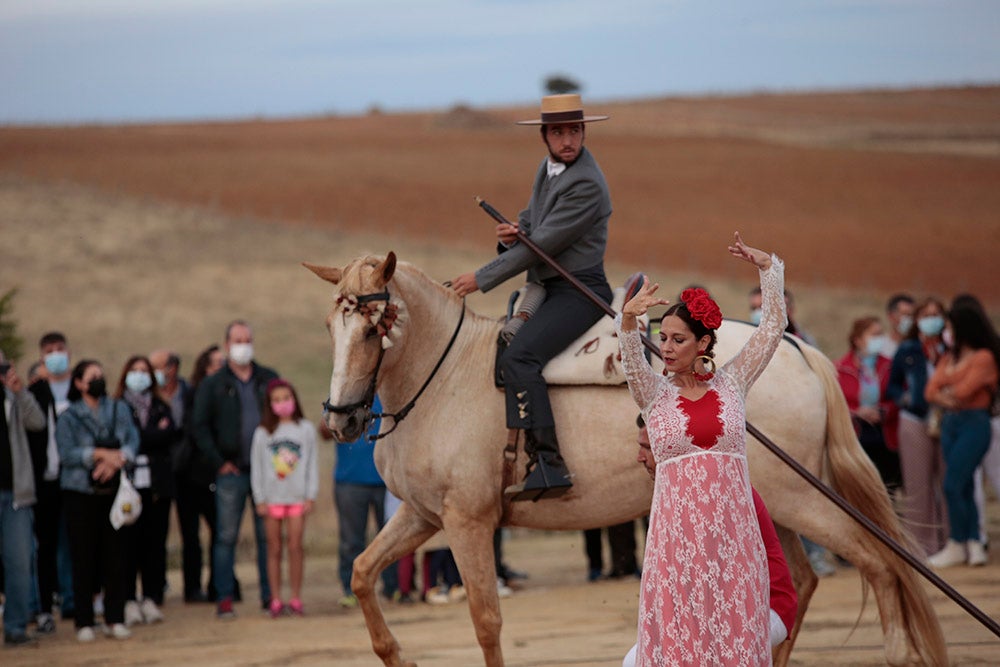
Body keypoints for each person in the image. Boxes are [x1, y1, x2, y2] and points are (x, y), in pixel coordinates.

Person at [616, 232, 785, 664]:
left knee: (734, 635)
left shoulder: (734, 382)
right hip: (675, 543)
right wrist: (629, 320)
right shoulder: (653, 393)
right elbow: (633, 359)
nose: (666, 348)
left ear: (703, 344)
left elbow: (772, 329)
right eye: (663, 337)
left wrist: (768, 269)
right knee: (680, 639)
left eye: (677, 339)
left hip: (734, 540)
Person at [450, 93, 613, 501]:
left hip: (579, 290)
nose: (567, 140)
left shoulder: (587, 184)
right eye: (558, 132)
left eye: (574, 130)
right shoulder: (549, 168)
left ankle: (549, 464)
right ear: (545, 136)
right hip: (548, 286)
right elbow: (530, 221)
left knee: (520, 355)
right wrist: (510, 232)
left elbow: (541, 246)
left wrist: (481, 278)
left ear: (583, 131)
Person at [628, 416, 798, 662]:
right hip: (713, 606)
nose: (639, 458)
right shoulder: (680, 489)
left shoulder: (716, 491)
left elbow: (720, 577)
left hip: (766, 607)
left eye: (646, 448)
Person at [193, 321, 278, 619]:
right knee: (226, 536)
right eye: (237, 340)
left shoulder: (268, 378)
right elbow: (199, 426)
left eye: (247, 339)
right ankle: (225, 598)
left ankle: (271, 597)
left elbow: (282, 417)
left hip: (265, 473)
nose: (243, 344)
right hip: (232, 473)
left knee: (266, 536)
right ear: (227, 344)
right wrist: (218, 461)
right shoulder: (213, 384)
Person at [56, 359, 139, 642]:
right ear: (78, 383)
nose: (98, 380)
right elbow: (67, 454)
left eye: (101, 375)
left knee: (115, 556)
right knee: (83, 557)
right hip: (80, 494)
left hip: (113, 493)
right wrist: (98, 455)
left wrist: (116, 460)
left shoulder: (119, 408)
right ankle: (84, 620)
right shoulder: (69, 416)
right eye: (92, 376)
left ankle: (114, 617)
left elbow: (132, 440)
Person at [924, 300, 1000, 568]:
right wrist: (947, 393)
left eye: (950, 326)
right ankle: (971, 543)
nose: (947, 331)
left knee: (953, 483)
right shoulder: (950, 357)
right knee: (964, 485)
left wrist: (946, 390)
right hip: (951, 424)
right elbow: (930, 390)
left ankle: (960, 540)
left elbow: (963, 392)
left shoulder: (984, 358)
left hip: (973, 423)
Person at [115, 355, 179, 625]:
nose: (140, 375)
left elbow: (169, 435)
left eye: (145, 371)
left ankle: (151, 597)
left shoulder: (161, 406)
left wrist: (143, 436)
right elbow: (126, 438)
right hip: (128, 486)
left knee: (154, 544)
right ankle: (128, 599)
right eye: (135, 370)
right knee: (128, 544)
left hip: (156, 486)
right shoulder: (117, 407)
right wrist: (150, 434)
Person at [886, 297, 949, 557]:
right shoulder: (908, 349)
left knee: (949, 481)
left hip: (947, 418)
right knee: (917, 483)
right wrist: (905, 399)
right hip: (914, 419)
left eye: (936, 314)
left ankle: (952, 542)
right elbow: (892, 385)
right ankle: (922, 545)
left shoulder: (950, 349)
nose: (931, 319)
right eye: (926, 314)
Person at [251, 379, 317, 618]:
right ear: (269, 404)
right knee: (274, 548)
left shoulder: (305, 429)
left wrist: (311, 494)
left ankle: (296, 597)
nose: (282, 404)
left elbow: (311, 464)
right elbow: (257, 468)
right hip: (272, 498)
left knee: (295, 546)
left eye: (286, 398)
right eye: (276, 400)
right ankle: (276, 598)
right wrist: (259, 498)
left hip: (297, 497)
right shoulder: (262, 433)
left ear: (294, 399)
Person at [26, 331, 75, 629]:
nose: (55, 355)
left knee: (70, 543)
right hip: (43, 479)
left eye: (60, 349)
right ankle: (43, 603)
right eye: (49, 350)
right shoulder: (36, 392)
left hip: (72, 477)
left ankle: (71, 599)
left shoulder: (77, 389)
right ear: (41, 356)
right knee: (44, 545)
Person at [332, 394, 398, 607]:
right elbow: (326, 430)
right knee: (351, 540)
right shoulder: (344, 394)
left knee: (391, 537)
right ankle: (350, 589)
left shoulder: (390, 392)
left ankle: (392, 587)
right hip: (350, 479)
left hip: (387, 479)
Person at [0, 351, 46, 646]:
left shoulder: (13, 397)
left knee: (20, 560)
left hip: (15, 492)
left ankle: (16, 626)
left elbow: (37, 422)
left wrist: (19, 392)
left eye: (4, 365)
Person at [176, 344, 224, 603]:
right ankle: (192, 587)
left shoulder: (224, 394)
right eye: (216, 363)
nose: (221, 367)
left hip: (214, 475)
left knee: (220, 532)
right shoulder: (194, 394)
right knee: (190, 537)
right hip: (190, 475)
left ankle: (220, 584)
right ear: (205, 368)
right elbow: (195, 430)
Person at [835, 316, 902, 493]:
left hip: (885, 435)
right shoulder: (840, 368)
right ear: (858, 340)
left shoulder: (889, 365)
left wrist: (883, 412)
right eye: (874, 335)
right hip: (855, 434)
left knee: (887, 489)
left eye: (881, 334)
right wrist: (857, 412)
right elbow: (836, 400)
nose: (879, 339)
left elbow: (898, 396)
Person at [882, 293, 916, 362]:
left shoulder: (918, 346)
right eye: (905, 314)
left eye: (912, 315)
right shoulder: (880, 348)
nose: (910, 319)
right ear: (891, 316)